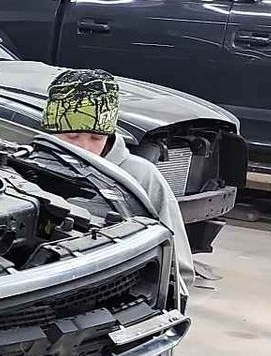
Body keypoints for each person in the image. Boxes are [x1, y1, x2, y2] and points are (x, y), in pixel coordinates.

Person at [40, 68, 195, 294]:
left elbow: (178, 264)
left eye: (96, 138)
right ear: (50, 131)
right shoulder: (29, 169)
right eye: (71, 136)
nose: (83, 148)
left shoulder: (142, 176)